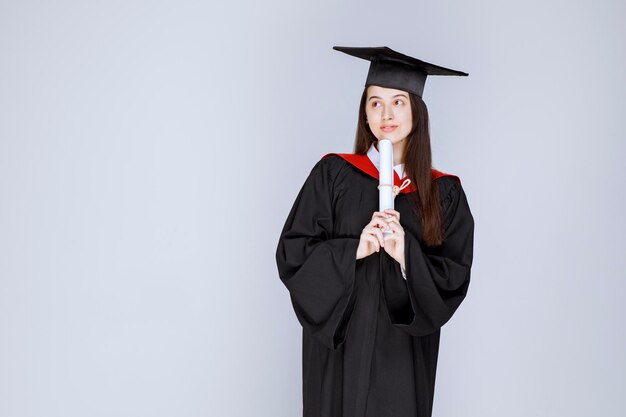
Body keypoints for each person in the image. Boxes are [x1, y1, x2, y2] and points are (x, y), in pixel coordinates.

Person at [275, 46, 475, 417]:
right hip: (341, 351)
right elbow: (293, 255)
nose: (386, 114)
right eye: (375, 103)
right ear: (364, 114)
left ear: (417, 110)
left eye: (398, 102)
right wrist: (354, 249)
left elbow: (453, 276)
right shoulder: (333, 175)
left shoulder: (444, 192)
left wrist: (405, 255)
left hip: (402, 354)